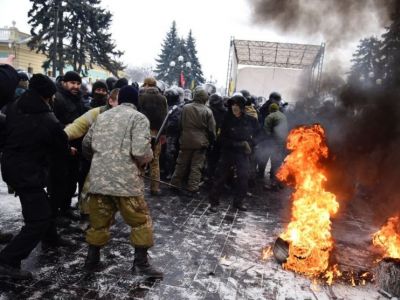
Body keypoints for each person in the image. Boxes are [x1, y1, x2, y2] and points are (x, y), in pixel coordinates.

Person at [82, 85, 162, 278]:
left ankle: (92, 260)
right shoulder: (139, 118)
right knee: (140, 221)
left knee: (99, 222)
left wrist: (100, 163)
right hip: (126, 184)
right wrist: (148, 158)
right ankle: (141, 264)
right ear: (136, 101)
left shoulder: (102, 116)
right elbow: (140, 152)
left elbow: (86, 144)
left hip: (99, 182)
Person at [0, 74, 71, 280]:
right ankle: (7, 260)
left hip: (12, 165)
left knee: (43, 207)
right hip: (27, 173)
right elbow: (61, 148)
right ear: (49, 96)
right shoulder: (48, 119)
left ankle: (51, 238)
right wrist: (68, 150)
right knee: (38, 218)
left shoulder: (14, 105)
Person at [208, 95, 259, 212]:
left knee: (243, 177)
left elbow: (259, 135)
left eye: (237, 105)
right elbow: (221, 139)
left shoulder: (250, 120)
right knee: (220, 177)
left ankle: (238, 202)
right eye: (232, 105)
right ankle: (214, 202)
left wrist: (251, 144)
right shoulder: (226, 119)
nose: (234, 107)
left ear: (242, 106)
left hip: (242, 154)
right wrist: (239, 144)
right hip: (228, 152)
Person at [51, 71, 87, 223]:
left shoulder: (78, 99)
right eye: (72, 83)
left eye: (78, 83)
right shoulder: (57, 98)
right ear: (64, 83)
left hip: (76, 146)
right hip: (62, 146)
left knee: (72, 180)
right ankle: (55, 213)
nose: (75, 86)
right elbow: (52, 122)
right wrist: (65, 127)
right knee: (59, 181)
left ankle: (65, 208)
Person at [170, 88, 216, 194]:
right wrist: (212, 140)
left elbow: (180, 124)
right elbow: (211, 129)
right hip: (201, 142)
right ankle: (192, 188)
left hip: (185, 140)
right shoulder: (208, 111)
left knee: (181, 164)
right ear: (205, 98)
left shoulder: (186, 108)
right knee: (196, 166)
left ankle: (174, 183)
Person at [138, 77, 168, 196]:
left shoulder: (141, 97)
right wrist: (163, 134)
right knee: (155, 161)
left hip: (143, 131)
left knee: (141, 160)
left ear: (145, 84)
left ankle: (139, 188)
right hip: (158, 132)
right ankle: (155, 188)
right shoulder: (163, 98)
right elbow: (165, 117)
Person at [263, 103, 288, 190]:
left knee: (274, 164)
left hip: (274, 143)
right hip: (283, 142)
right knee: (279, 162)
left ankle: (274, 184)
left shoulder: (270, 116)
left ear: (270, 109)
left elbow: (266, 131)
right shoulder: (283, 116)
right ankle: (280, 182)